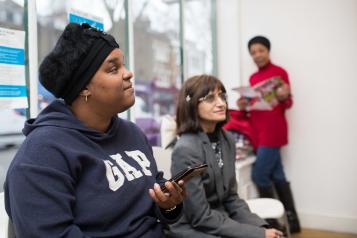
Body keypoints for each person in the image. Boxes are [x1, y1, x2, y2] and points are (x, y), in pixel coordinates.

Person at [4, 23, 186, 238]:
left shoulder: (132, 133)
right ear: (84, 88)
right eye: (113, 68)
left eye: (124, 65)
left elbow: (154, 205)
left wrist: (168, 204)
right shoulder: (42, 155)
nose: (128, 74)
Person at [169, 75, 283, 238]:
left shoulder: (227, 139)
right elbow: (200, 217)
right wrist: (257, 234)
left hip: (219, 219)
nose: (222, 103)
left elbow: (231, 198)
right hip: (193, 228)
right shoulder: (186, 149)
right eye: (210, 98)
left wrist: (263, 228)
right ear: (192, 105)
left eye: (222, 96)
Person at [237, 36, 301, 233]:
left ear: (268, 51)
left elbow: (288, 104)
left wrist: (284, 95)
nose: (257, 55)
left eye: (260, 50)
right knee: (277, 173)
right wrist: (243, 105)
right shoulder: (253, 79)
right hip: (258, 132)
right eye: (253, 52)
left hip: (273, 132)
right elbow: (252, 110)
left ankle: (274, 223)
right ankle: (293, 221)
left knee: (260, 175)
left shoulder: (280, 73)